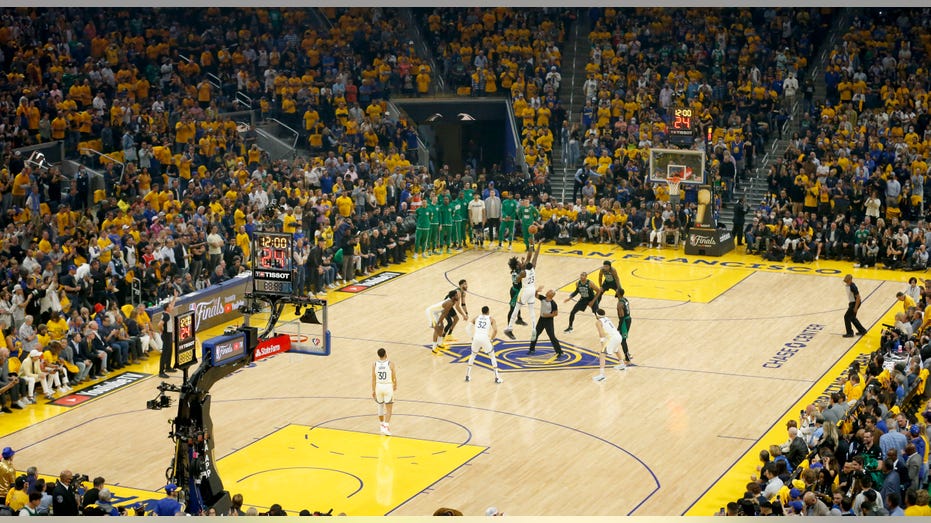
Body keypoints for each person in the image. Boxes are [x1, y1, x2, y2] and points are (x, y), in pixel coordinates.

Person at [504, 242, 541, 340]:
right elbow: (530, 258)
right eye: (519, 263)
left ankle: (519, 319)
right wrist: (531, 247)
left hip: (521, 290)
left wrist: (531, 246)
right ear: (516, 266)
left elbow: (528, 259)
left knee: (518, 306)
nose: (521, 263)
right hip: (515, 292)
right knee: (512, 309)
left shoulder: (521, 269)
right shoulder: (519, 272)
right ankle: (509, 329)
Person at [465, 305, 502, 383]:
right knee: (492, 356)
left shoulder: (476, 318)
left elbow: (467, 328)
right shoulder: (491, 319)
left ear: (481, 311)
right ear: (488, 311)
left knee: (473, 355)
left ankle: (467, 376)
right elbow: (495, 330)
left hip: (476, 338)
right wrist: (491, 339)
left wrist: (471, 337)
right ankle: (497, 377)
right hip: (485, 339)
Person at [528, 288, 564, 358]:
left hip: (548, 321)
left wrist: (548, 315)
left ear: (551, 295)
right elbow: (535, 295)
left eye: (549, 291)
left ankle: (560, 352)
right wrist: (537, 290)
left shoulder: (553, 304)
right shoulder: (543, 298)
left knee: (552, 337)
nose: (547, 291)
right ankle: (532, 349)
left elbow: (555, 314)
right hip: (541, 320)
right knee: (535, 334)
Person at [593, 308, 626, 382]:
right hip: (618, 336)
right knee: (616, 349)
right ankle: (622, 365)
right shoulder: (607, 318)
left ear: (597, 315)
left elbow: (601, 333)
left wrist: (602, 343)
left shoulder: (598, 322)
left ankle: (602, 375)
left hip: (612, 338)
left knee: (602, 354)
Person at [372, 348, 397, 436]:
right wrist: (395, 384)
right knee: (389, 409)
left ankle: (382, 425)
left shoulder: (375, 364)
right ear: (386, 354)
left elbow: (373, 379)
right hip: (387, 386)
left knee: (380, 407)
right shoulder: (390, 364)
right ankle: (386, 426)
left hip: (379, 386)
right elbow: (393, 376)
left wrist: (373, 390)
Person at [158, 292, 179, 378]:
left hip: (169, 334)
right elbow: (159, 325)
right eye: (170, 306)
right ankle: (161, 371)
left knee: (170, 351)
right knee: (165, 353)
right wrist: (162, 331)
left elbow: (172, 305)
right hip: (166, 335)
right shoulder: (166, 316)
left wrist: (175, 297)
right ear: (167, 308)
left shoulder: (167, 313)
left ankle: (168, 367)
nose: (172, 307)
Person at [617, 288, 633, 365]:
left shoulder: (620, 304)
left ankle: (627, 357)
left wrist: (619, 327)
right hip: (629, 319)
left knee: (623, 340)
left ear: (619, 294)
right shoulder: (625, 299)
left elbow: (622, 316)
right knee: (623, 339)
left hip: (624, 321)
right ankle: (628, 354)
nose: (615, 292)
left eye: (616, 292)